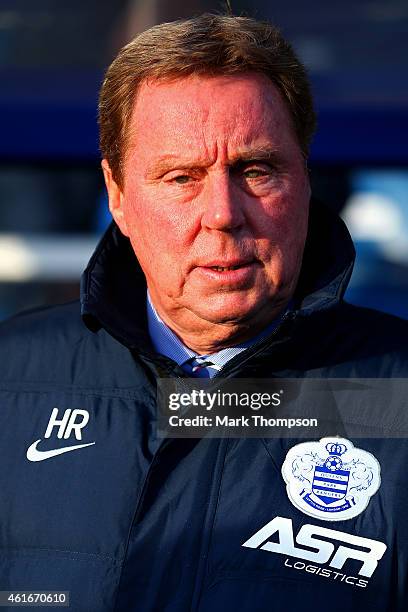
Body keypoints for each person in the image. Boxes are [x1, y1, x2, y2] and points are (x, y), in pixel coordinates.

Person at [0, 13, 407, 612]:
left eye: (256, 170)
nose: (222, 213)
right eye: (181, 177)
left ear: (305, 180)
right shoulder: (10, 376)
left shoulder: (397, 391)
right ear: (117, 194)